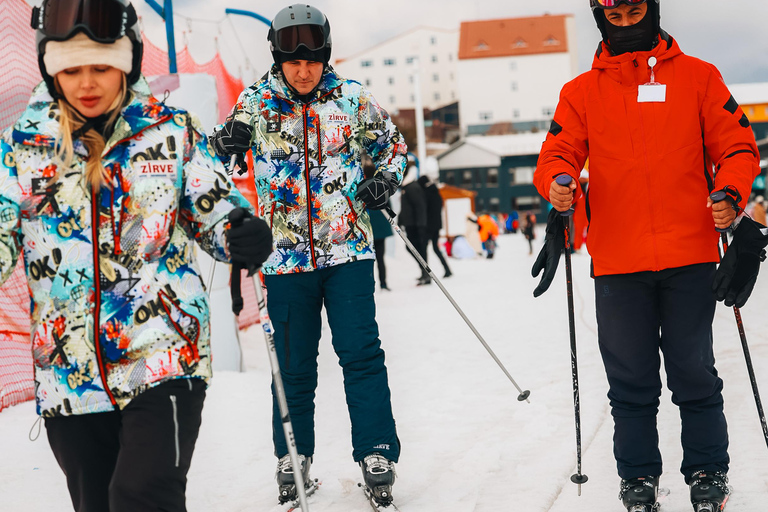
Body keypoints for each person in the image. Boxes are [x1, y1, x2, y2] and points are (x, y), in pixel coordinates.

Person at [0, 1, 273, 511]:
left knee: (142, 496)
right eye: (71, 68)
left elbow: (214, 208)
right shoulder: (21, 151)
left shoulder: (169, 132)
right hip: (69, 375)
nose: (86, 82)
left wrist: (239, 229)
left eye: (101, 66)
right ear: (48, 67)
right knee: (98, 503)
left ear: (126, 63)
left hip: (164, 354)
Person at [532, 1, 764, 511]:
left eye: (633, 11)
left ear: (652, 9)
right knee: (630, 381)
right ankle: (637, 478)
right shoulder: (581, 92)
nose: (625, 24)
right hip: (618, 261)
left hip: (691, 254)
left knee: (693, 371)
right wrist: (559, 182)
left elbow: (738, 146)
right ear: (599, 18)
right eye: (612, 17)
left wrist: (729, 193)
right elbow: (557, 154)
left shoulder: (700, 78)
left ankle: (708, 470)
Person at [208, 4, 407, 506]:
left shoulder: (352, 98)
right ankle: (293, 456)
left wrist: (385, 179)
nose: (303, 70)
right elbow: (218, 164)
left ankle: (376, 453)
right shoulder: (254, 102)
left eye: (312, 61)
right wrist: (224, 144)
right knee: (294, 366)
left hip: (350, 253)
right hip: (285, 261)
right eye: (293, 62)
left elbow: (396, 149)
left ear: (325, 57)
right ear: (277, 58)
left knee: (361, 355)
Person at [364, 158, 393, 290]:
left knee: (367, 259)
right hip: (381, 227)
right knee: (380, 257)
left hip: (367, 228)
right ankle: (384, 283)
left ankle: (369, 284)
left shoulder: (361, 186)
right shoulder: (380, 186)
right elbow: (389, 208)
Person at [399, 164, 430, 285]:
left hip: (416, 225)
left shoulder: (412, 187)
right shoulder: (407, 187)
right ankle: (424, 272)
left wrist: (421, 225)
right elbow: (406, 207)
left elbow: (420, 207)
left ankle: (425, 273)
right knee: (414, 248)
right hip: (410, 224)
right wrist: (401, 219)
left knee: (419, 249)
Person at [418, 175, 452, 278]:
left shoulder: (426, 194)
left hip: (429, 226)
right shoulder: (436, 192)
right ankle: (447, 269)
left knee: (423, 248)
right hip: (436, 225)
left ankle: (426, 272)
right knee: (435, 248)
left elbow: (425, 211)